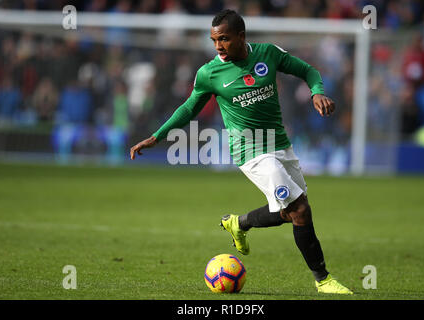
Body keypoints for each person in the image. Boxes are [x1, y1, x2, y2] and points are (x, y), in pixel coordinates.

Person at [130, 9, 353, 294]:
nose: (218, 46)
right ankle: (323, 280)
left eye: (223, 39)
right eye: (214, 41)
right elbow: (189, 108)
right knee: (299, 209)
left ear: (241, 36)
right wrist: (157, 136)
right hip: (250, 151)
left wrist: (317, 91)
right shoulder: (209, 73)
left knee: (293, 212)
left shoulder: (267, 54)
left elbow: (307, 70)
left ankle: (239, 223)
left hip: (279, 143)